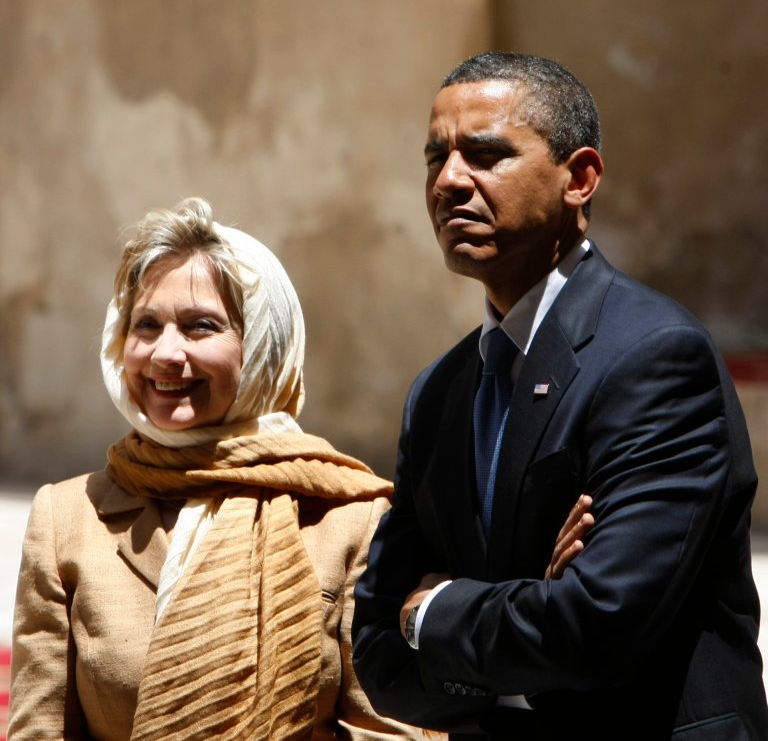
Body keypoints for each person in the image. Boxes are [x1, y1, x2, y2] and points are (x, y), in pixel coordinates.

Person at [352, 52, 768, 740]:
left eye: (486, 155)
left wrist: (433, 611)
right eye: (436, 157)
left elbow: (598, 622)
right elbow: (377, 653)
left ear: (580, 178)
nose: (450, 181)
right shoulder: (439, 392)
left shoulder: (654, 357)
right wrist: (528, 605)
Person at [10, 197, 426, 740]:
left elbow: (390, 729)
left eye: (200, 326)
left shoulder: (351, 520)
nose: (165, 353)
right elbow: (39, 730)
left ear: (262, 348)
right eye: (147, 325)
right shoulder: (67, 519)